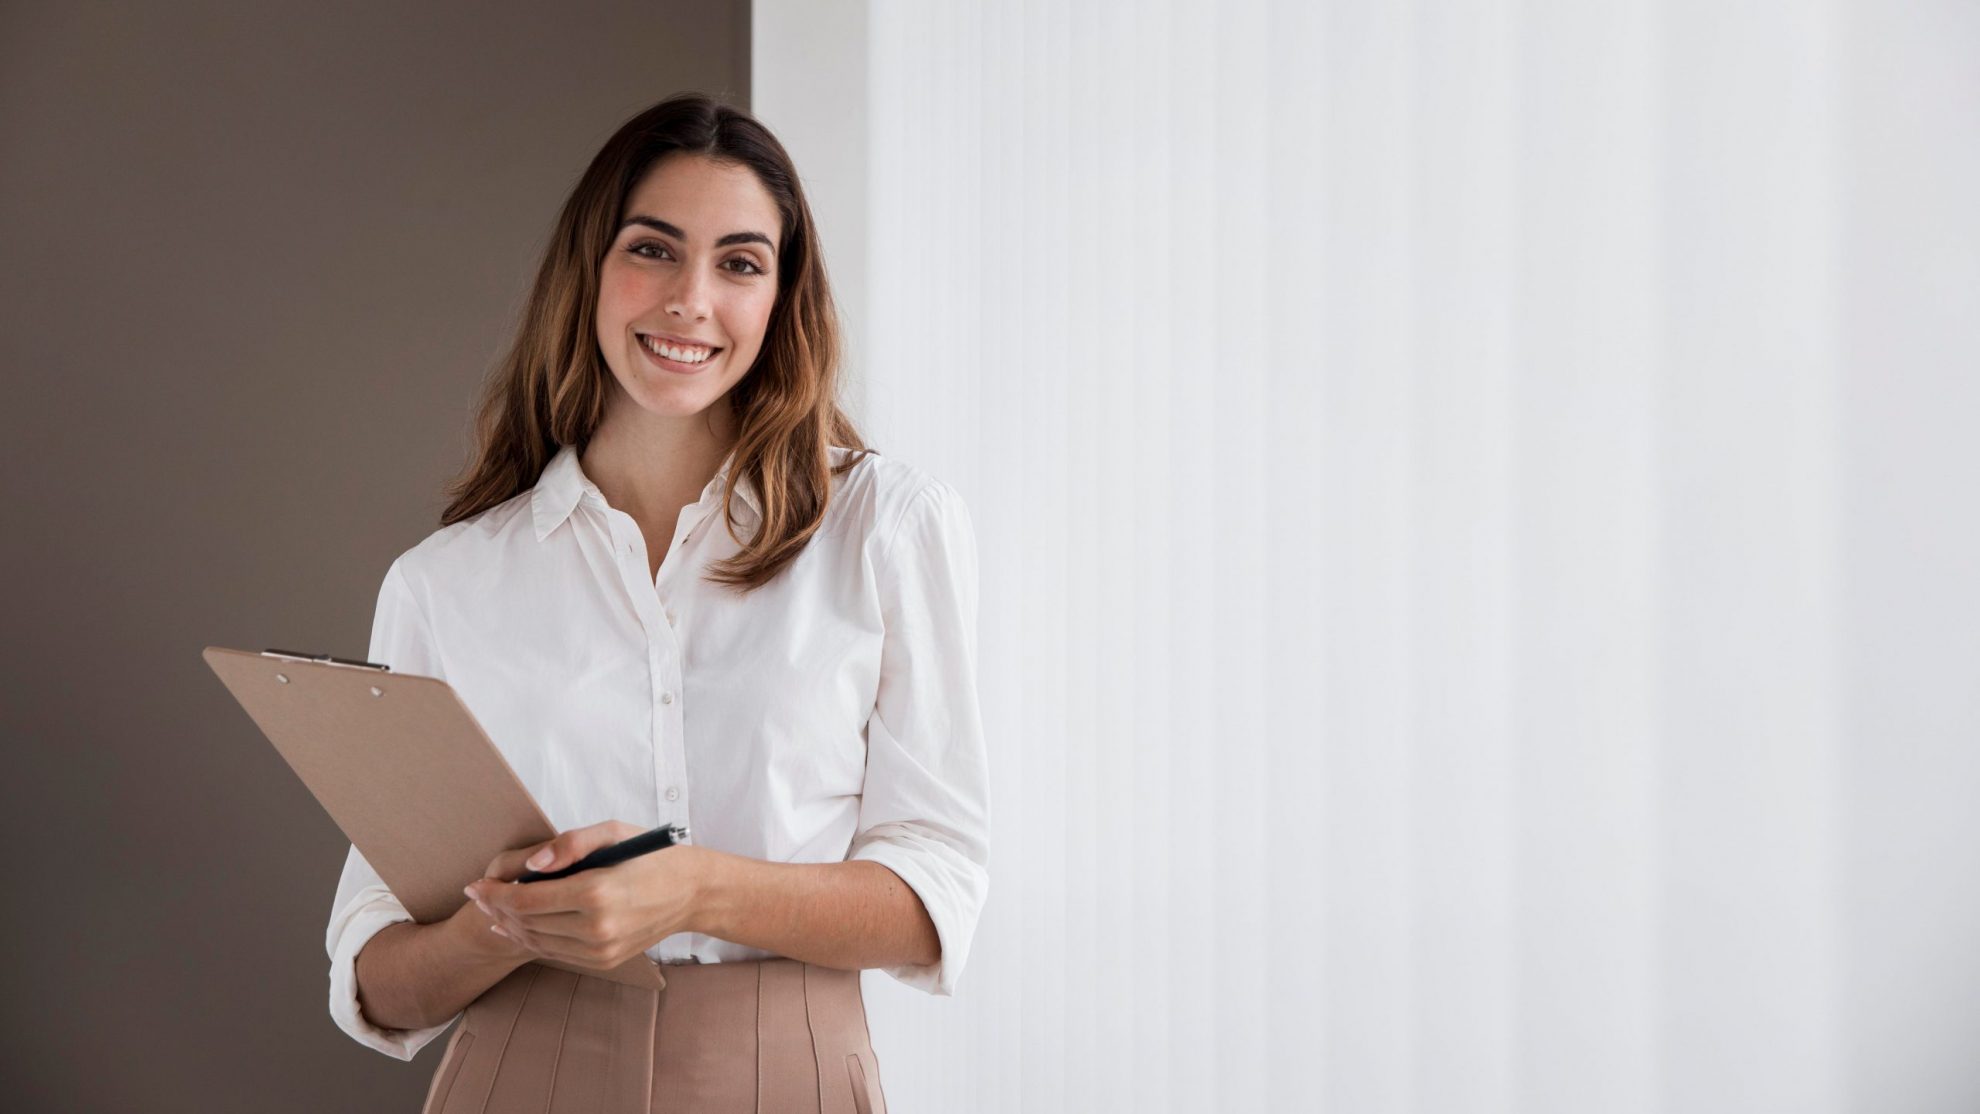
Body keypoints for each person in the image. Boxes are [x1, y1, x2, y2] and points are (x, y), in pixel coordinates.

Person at [321, 91, 990, 1113]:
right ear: (589, 269)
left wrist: (692, 888)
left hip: (791, 1071)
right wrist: (509, 921)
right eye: (652, 250)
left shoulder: (886, 528)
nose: (690, 300)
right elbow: (378, 980)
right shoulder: (446, 580)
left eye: (740, 263)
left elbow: (934, 893)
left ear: (782, 297)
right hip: (518, 1072)